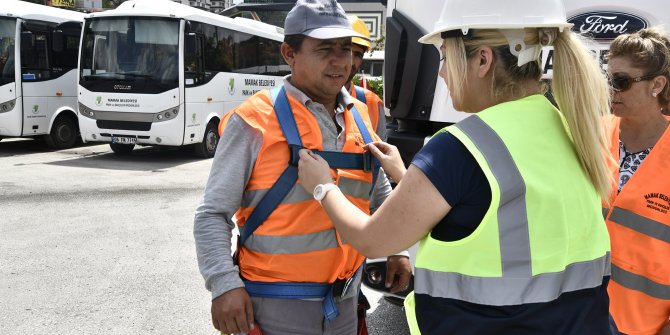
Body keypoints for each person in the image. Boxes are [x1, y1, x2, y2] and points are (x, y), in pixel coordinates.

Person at [297, 0, 614, 333]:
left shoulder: (460, 148)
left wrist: (323, 186)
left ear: (482, 60)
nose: (442, 72)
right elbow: (496, 215)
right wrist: (407, 178)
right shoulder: (568, 128)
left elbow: (371, 240)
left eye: (445, 56)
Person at [193, 0, 411, 334]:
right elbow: (212, 214)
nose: (340, 60)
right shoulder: (252, 121)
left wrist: (396, 249)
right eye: (324, 49)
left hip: (346, 304)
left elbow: (377, 194)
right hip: (273, 309)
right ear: (289, 53)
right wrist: (224, 285)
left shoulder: (362, 117)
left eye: (345, 48)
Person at [604, 27, 670, 335]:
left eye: (622, 82)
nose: (612, 91)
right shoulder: (592, 134)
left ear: (657, 85)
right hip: (573, 318)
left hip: (643, 328)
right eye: (609, 80)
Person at [346, 15, 387, 141]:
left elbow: (381, 158)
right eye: (346, 51)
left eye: (358, 54)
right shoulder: (305, 100)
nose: (351, 62)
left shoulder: (372, 103)